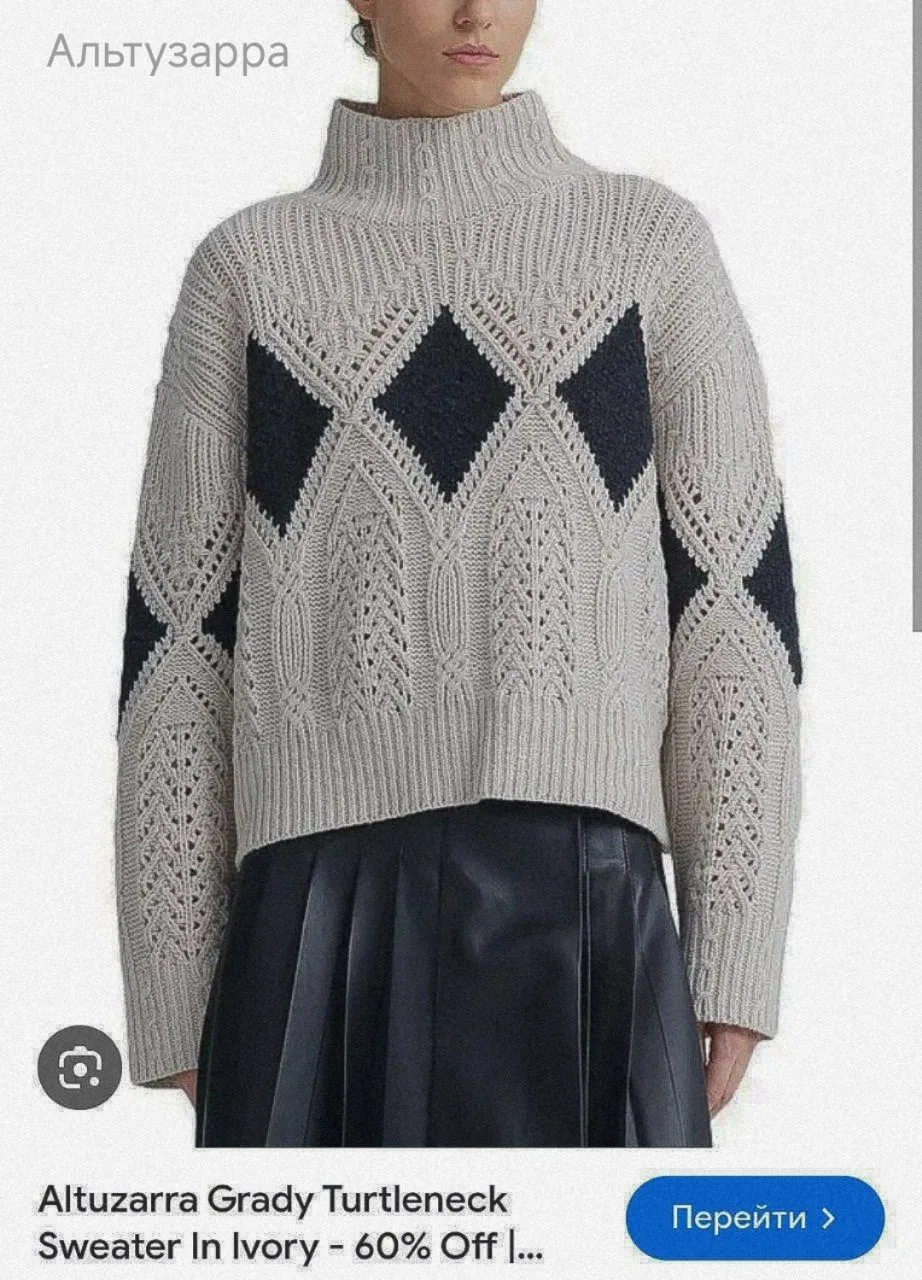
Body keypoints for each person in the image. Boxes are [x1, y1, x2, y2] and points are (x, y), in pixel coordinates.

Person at [113, 0, 802, 1147]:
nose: (479, 11)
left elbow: (732, 611)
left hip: (587, 892)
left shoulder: (648, 244)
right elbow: (180, 640)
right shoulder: (249, 268)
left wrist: (736, 949)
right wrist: (174, 976)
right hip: (312, 892)